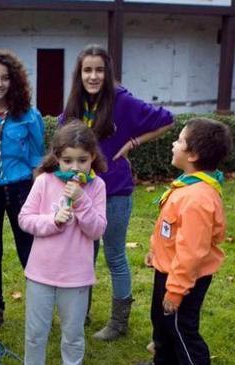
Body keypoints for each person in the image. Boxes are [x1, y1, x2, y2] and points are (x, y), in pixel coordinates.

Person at [60, 44, 174, 342]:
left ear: (107, 72)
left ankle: (118, 321)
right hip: (82, 192)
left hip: (114, 191)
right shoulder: (74, 104)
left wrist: (133, 142)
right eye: (87, 70)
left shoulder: (121, 101)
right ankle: (79, 312)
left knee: (114, 255)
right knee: (84, 254)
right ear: (80, 74)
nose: (93, 76)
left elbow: (167, 119)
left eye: (99, 70)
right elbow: (61, 140)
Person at [134, 117, 232, 365]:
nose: (173, 144)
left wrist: (175, 292)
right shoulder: (187, 187)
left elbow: (191, 253)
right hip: (169, 269)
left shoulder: (198, 199)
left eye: (179, 140)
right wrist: (155, 252)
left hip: (184, 278)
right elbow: (170, 231)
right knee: (161, 322)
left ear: (192, 155)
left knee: (182, 330)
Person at [18, 121, 107, 365]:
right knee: (35, 331)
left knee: (72, 335)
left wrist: (81, 202)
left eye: (82, 160)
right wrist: (51, 222)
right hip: (41, 273)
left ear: (92, 157)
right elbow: (25, 219)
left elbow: (96, 230)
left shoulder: (97, 186)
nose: (74, 167)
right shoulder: (44, 182)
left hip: (76, 276)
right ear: (57, 157)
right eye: (67, 160)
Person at [0, 49, 45, 332]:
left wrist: (39, 195)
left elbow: (38, 159)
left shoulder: (28, 115)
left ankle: (38, 306)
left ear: (14, 81)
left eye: (5, 78)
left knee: (29, 250)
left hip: (20, 189)